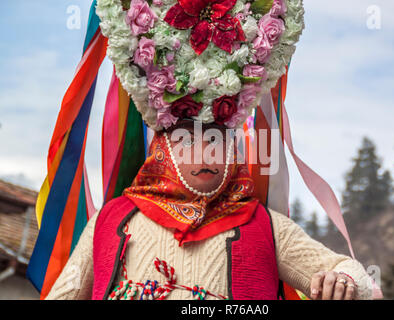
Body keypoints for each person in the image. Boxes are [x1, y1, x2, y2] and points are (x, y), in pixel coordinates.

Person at [41, 0, 375, 300]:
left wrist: (342, 280)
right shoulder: (110, 221)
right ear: (162, 148)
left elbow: (359, 279)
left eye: (216, 139)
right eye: (187, 139)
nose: (207, 153)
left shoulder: (264, 226)